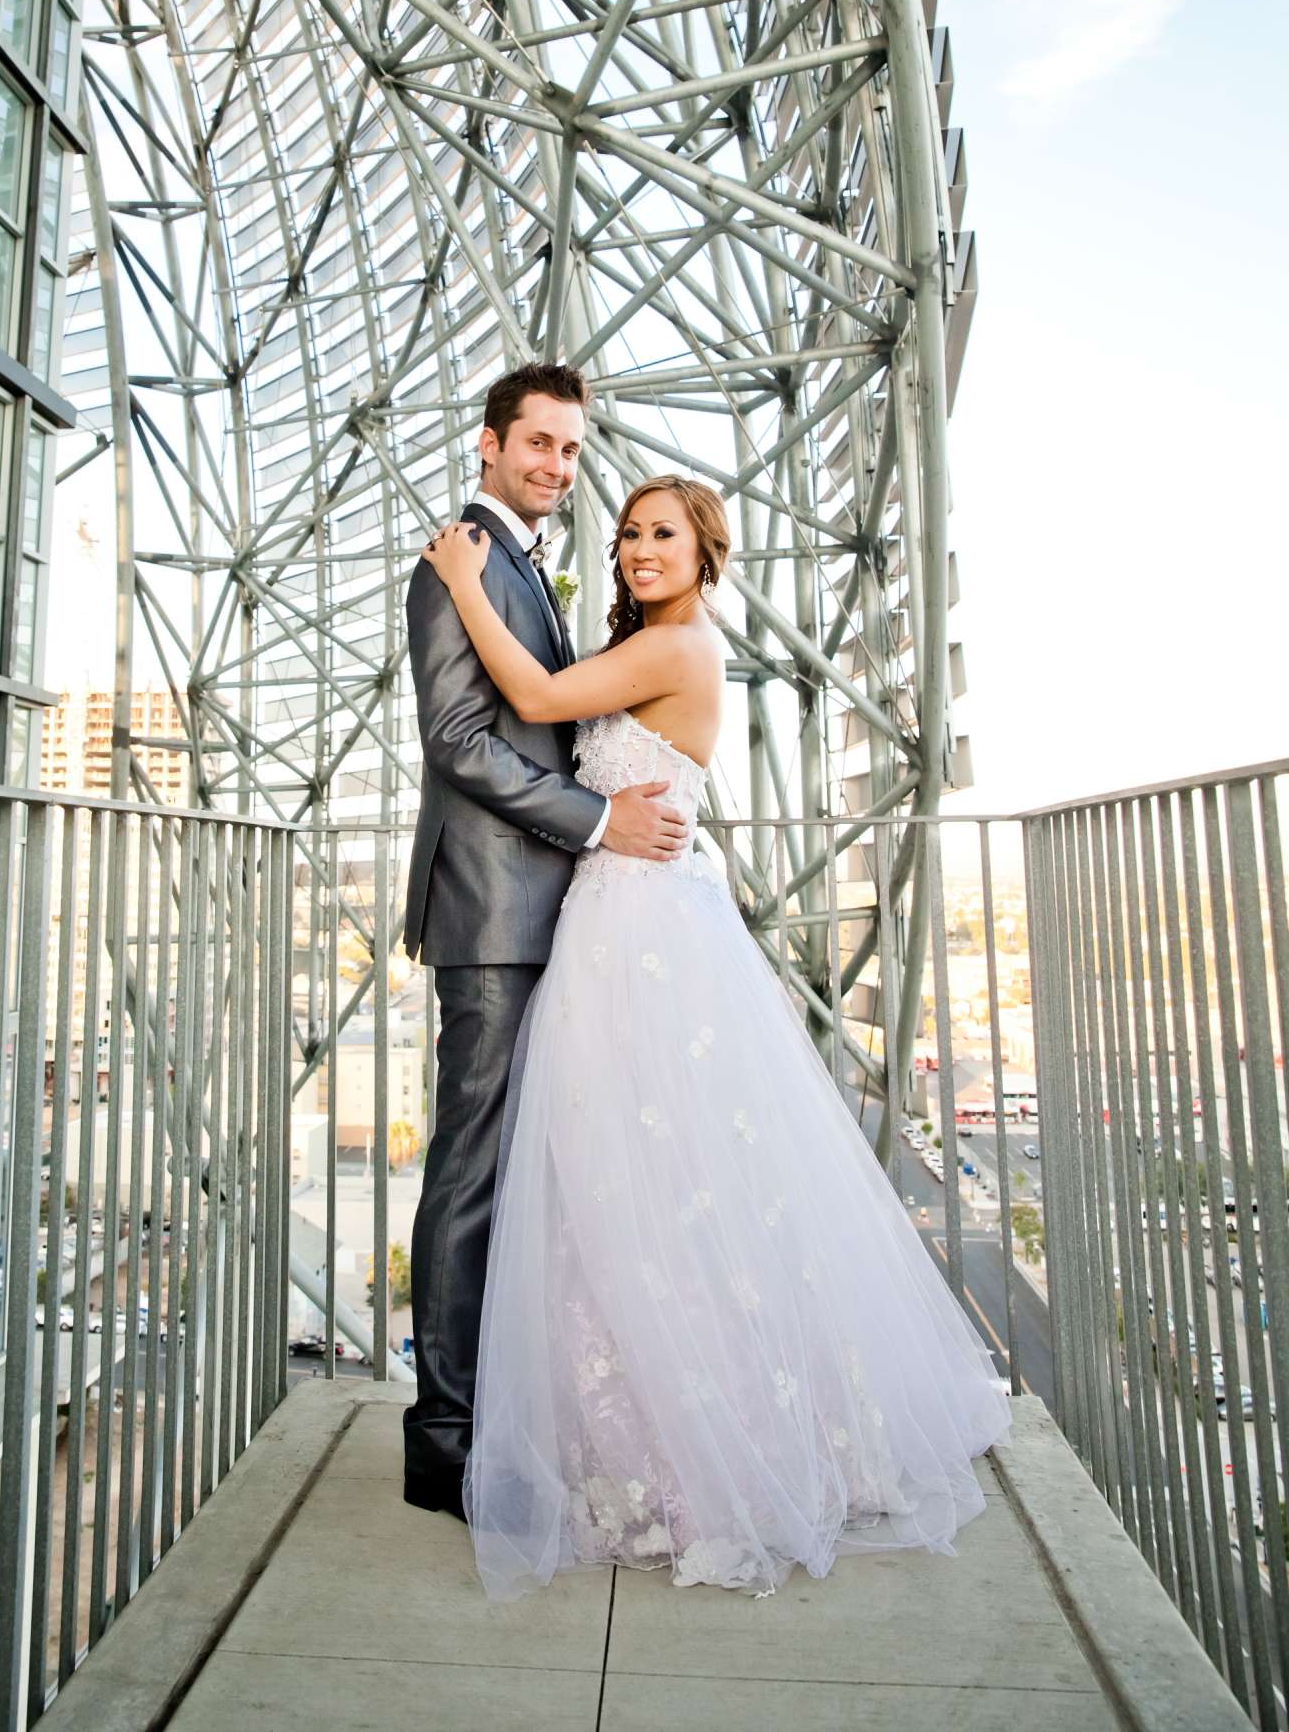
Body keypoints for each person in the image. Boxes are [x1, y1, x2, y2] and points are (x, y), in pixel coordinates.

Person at [420, 472, 1013, 1600]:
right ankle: (642, 1425)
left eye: (665, 536)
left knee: (653, 1177)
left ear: (703, 556)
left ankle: (700, 1443)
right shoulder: (661, 642)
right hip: (620, 921)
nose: (642, 551)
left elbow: (538, 698)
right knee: (632, 1179)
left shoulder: (679, 647)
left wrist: (463, 580)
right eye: (633, 533)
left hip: (641, 933)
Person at [400, 363, 694, 1521]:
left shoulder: (514, 564)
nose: (555, 467)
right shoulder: (454, 564)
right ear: (488, 443)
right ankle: (446, 1440)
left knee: (520, 1167)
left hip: (545, 909)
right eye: (537, 444)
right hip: (491, 913)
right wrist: (600, 820)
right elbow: (461, 741)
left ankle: (504, 1411)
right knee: (469, 1172)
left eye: (571, 451)